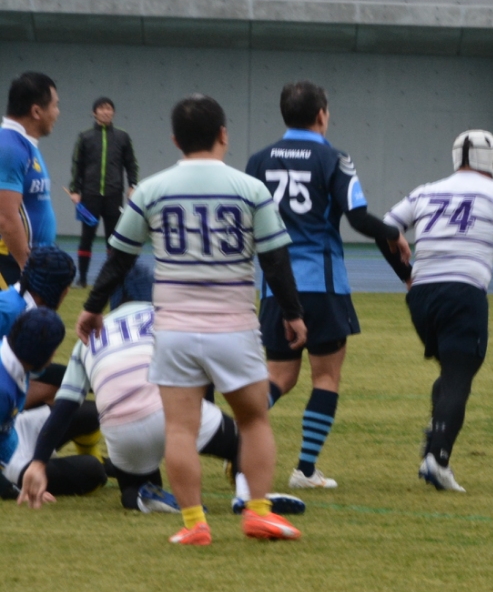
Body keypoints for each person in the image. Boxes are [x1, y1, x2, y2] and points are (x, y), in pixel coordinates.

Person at [76, 93, 307, 545]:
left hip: (174, 329)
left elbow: (120, 258)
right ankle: (258, 513)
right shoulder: (250, 189)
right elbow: (276, 261)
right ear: (223, 134)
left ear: (175, 140)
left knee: (180, 428)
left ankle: (194, 523)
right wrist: (293, 314)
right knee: (254, 421)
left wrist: (92, 306)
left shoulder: (150, 190)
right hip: (233, 325)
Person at [248, 81, 413, 493]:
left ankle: (236, 438)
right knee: (325, 378)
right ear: (322, 114)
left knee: (280, 375)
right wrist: (393, 233)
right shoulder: (334, 158)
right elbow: (357, 218)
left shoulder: (258, 160)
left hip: (275, 287)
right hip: (322, 284)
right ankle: (305, 470)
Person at [16, 266, 259, 515]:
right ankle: (246, 497)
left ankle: (142, 497)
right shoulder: (171, 318)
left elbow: (64, 407)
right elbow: (205, 369)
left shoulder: (88, 334)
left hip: (121, 429)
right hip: (171, 412)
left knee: (133, 487)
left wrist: (39, 462)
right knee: (244, 441)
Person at [384, 129, 493, 493]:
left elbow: (384, 229)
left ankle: (434, 440)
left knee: (450, 372)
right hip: (463, 290)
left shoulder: (425, 190)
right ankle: (437, 458)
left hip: (422, 295)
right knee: (458, 376)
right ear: (492, 158)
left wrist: (406, 275)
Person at [0, 310, 98, 506]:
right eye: (53, 350)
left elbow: (56, 375)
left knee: (93, 412)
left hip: (13, 432)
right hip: (7, 463)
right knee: (93, 471)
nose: (54, 356)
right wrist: (13, 490)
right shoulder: (3, 390)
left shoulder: (14, 355)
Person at [68, 96, 139, 286]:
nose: (106, 112)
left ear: (113, 112)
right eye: (102, 108)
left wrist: (133, 185)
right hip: (90, 195)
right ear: (94, 112)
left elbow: (131, 164)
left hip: (113, 195)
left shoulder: (122, 137)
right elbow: (77, 165)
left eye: (109, 108)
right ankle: (82, 279)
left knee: (113, 239)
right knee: (87, 237)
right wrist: (75, 189)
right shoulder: (85, 136)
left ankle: (112, 278)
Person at [0, 72, 61, 289]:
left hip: (27, 261)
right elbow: (5, 217)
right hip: (9, 265)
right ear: (36, 111)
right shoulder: (10, 147)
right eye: (55, 106)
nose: (57, 113)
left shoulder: (24, 144)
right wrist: (28, 270)